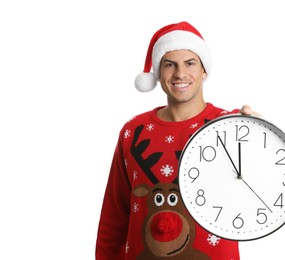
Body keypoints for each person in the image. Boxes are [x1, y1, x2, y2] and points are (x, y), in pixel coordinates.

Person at [96, 21, 258, 259]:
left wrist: (256, 133)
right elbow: (115, 215)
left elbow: (260, 186)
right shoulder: (134, 131)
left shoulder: (229, 127)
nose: (180, 74)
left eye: (190, 63)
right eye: (170, 65)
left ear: (203, 70)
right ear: (158, 73)